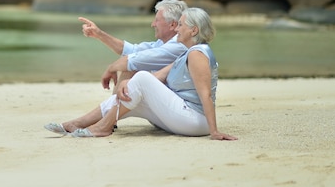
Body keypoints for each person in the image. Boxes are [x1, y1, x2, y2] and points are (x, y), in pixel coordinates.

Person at [46, 7, 237, 141]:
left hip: (195, 120)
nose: (177, 29)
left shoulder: (197, 54)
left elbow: (206, 95)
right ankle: (77, 124)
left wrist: (214, 131)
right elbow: (157, 77)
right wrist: (125, 85)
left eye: (180, 25)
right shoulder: (186, 53)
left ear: (193, 30)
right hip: (183, 118)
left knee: (141, 77)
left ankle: (103, 128)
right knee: (134, 94)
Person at [44, 0, 188, 135]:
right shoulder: (162, 44)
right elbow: (130, 51)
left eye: (157, 20)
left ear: (173, 25)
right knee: (130, 66)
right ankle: (107, 121)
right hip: (165, 112)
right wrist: (99, 34)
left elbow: (133, 59)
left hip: (176, 114)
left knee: (132, 66)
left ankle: (93, 123)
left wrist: (111, 68)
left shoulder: (178, 44)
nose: (152, 24)